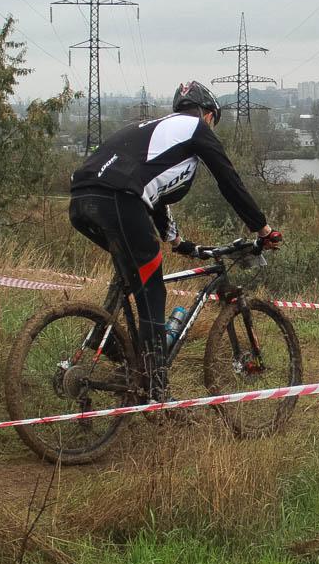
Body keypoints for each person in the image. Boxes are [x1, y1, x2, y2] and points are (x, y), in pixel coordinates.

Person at [68, 80, 281, 398]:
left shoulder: (152, 130)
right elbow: (229, 181)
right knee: (152, 287)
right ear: (209, 115)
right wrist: (263, 229)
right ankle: (155, 385)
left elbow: (154, 195)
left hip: (81, 201)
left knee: (131, 267)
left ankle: (112, 341)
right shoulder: (196, 127)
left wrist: (178, 242)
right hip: (118, 199)